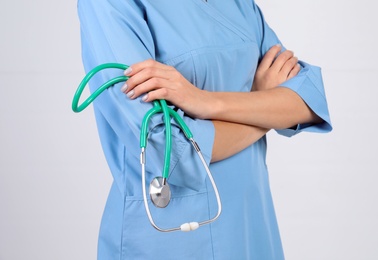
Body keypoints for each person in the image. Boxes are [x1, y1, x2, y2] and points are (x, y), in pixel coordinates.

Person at [77, 0, 332, 259]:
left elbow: (308, 100)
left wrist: (204, 101)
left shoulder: (239, 4)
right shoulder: (110, 5)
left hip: (252, 226)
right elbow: (172, 151)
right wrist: (263, 105)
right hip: (173, 238)